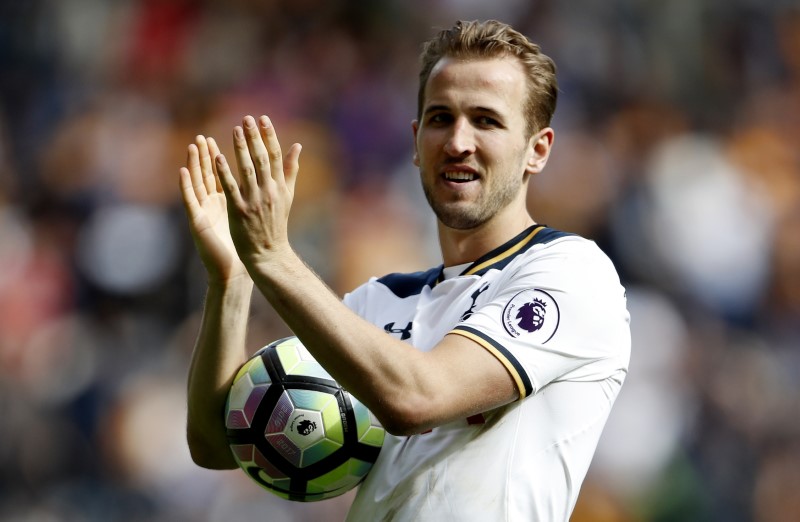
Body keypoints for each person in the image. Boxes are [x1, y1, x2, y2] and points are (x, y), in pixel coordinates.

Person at [181, 19, 631, 521]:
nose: (458, 141)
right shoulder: (378, 302)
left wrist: (274, 258)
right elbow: (220, 445)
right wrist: (233, 280)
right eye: (441, 118)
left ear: (537, 149)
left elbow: (417, 399)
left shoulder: (571, 273)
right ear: (416, 142)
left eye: (486, 120)